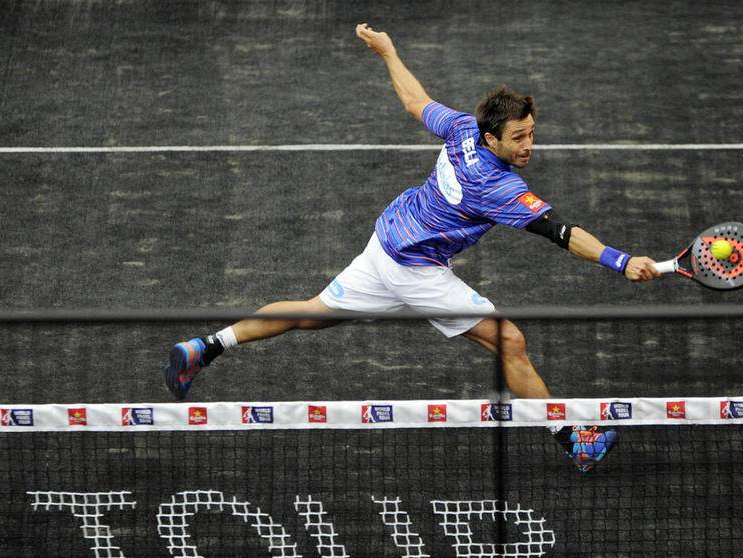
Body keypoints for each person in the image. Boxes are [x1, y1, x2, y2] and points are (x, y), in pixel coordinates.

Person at [165, 23, 661, 473]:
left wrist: (388, 51)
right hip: (416, 271)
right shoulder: (500, 188)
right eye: (518, 138)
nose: (529, 144)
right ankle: (574, 437)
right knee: (508, 341)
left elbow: (414, 100)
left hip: (386, 244)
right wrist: (621, 262)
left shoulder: (462, 128)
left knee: (311, 313)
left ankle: (205, 347)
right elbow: (562, 232)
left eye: (531, 133)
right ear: (492, 138)